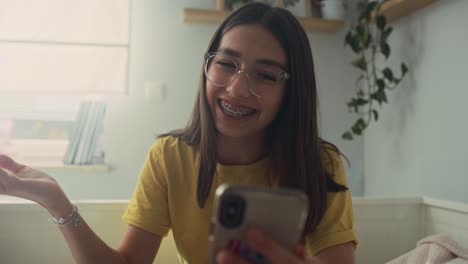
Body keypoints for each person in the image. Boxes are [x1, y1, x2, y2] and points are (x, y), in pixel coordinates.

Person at [0, 3, 357, 264]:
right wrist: (56, 201)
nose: (235, 88)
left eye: (265, 75)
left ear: (291, 91)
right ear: (207, 66)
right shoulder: (170, 155)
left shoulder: (320, 164)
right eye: (226, 64)